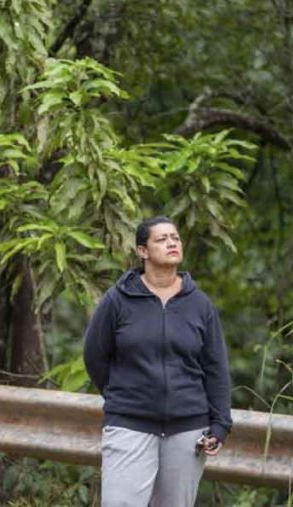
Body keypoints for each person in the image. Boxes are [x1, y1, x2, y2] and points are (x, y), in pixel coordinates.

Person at [83, 215, 233, 507]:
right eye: (162, 239)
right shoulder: (118, 300)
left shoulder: (199, 304)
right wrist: (124, 395)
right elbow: (94, 356)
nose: (171, 243)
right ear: (142, 251)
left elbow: (216, 367)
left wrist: (220, 424)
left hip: (187, 430)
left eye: (175, 238)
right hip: (130, 424)